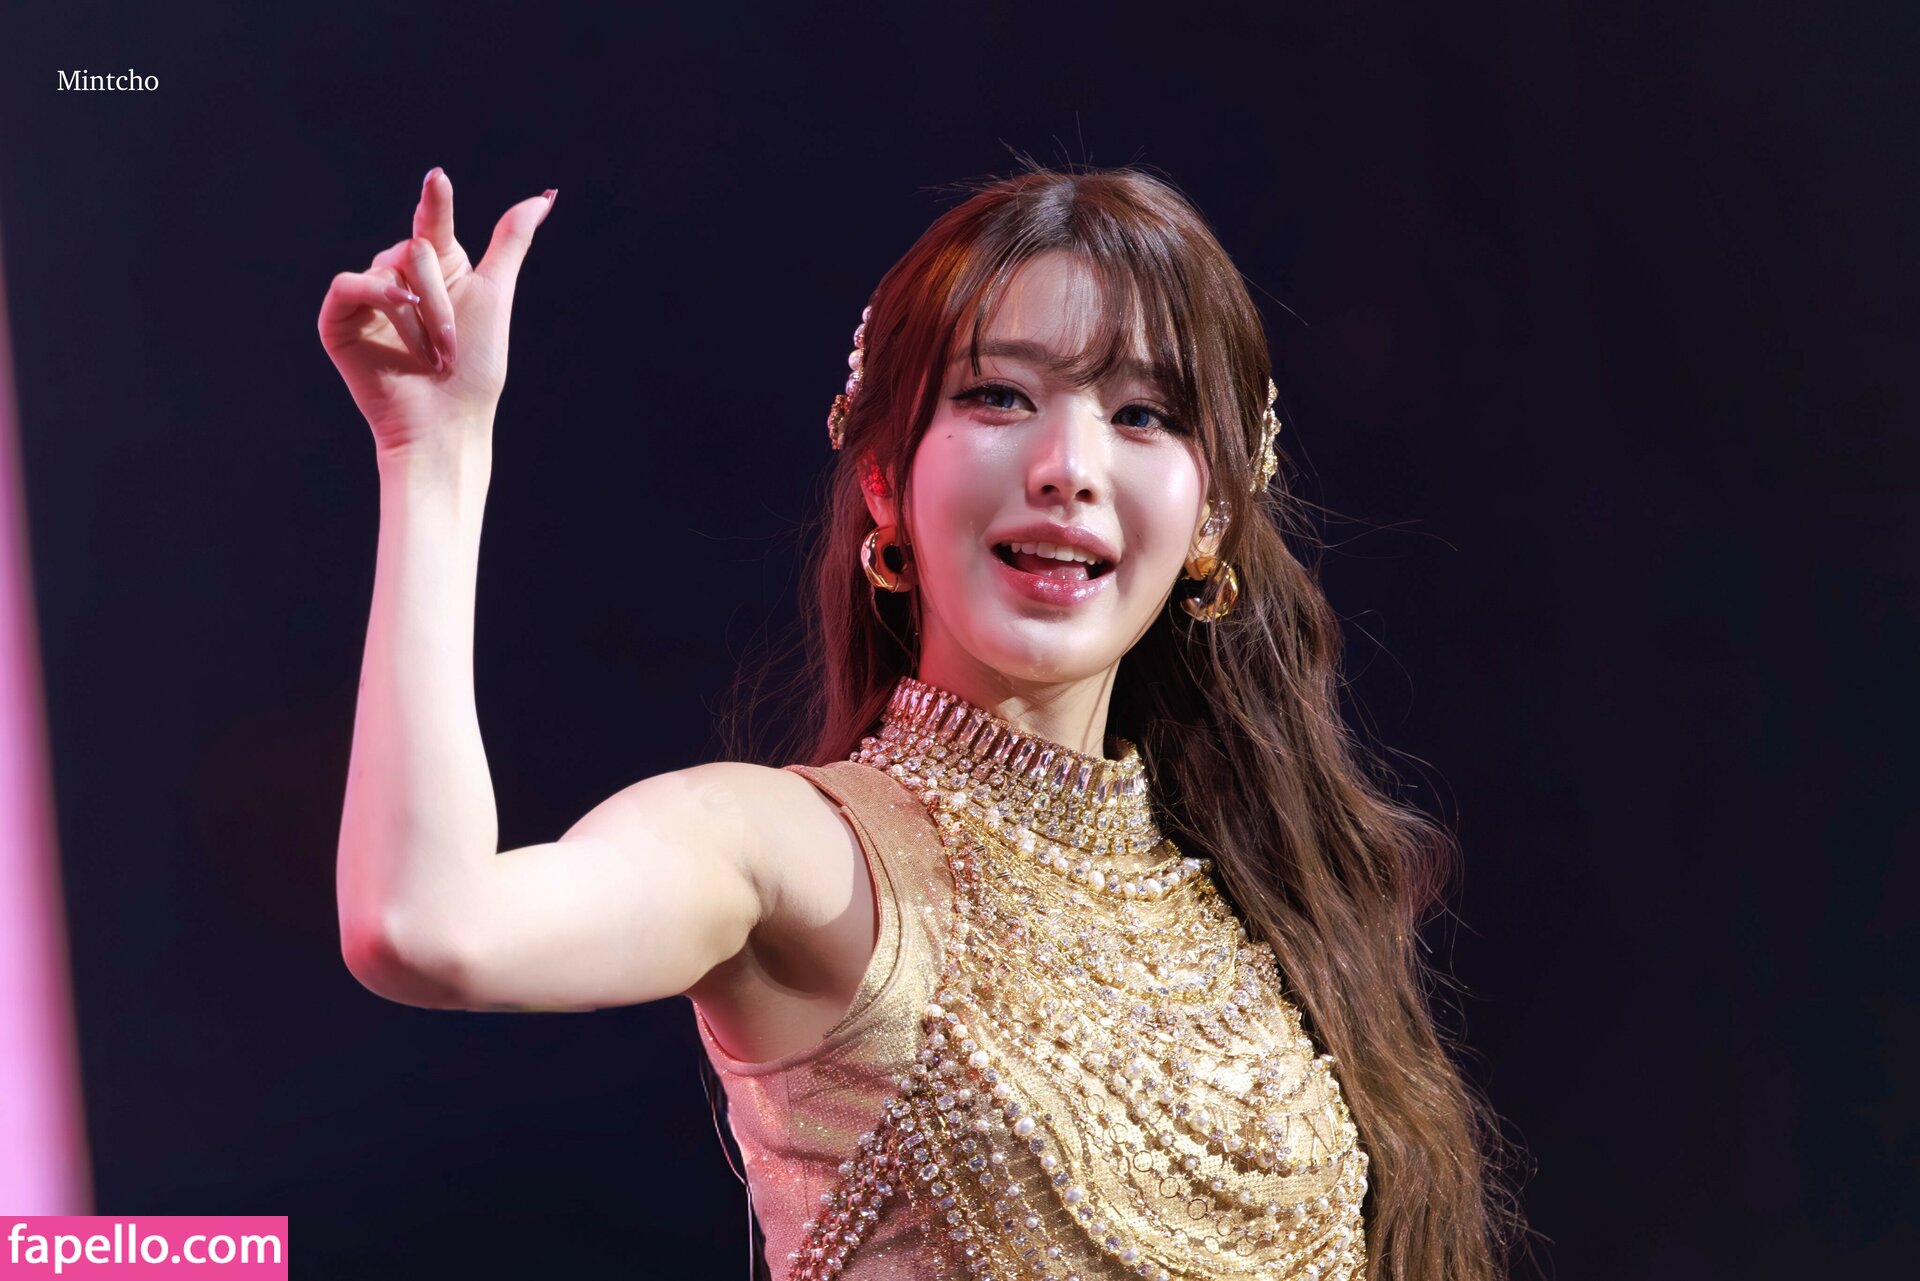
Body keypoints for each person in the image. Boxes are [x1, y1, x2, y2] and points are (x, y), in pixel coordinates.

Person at [318, 161, 1525, 1280]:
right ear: (885, 480)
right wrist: (434, 453)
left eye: (1145, 414)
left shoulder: (1267, 916)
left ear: (1211, 515)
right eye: (999, 396)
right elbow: (427, 926)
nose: (1068, 465)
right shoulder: (801, 856)